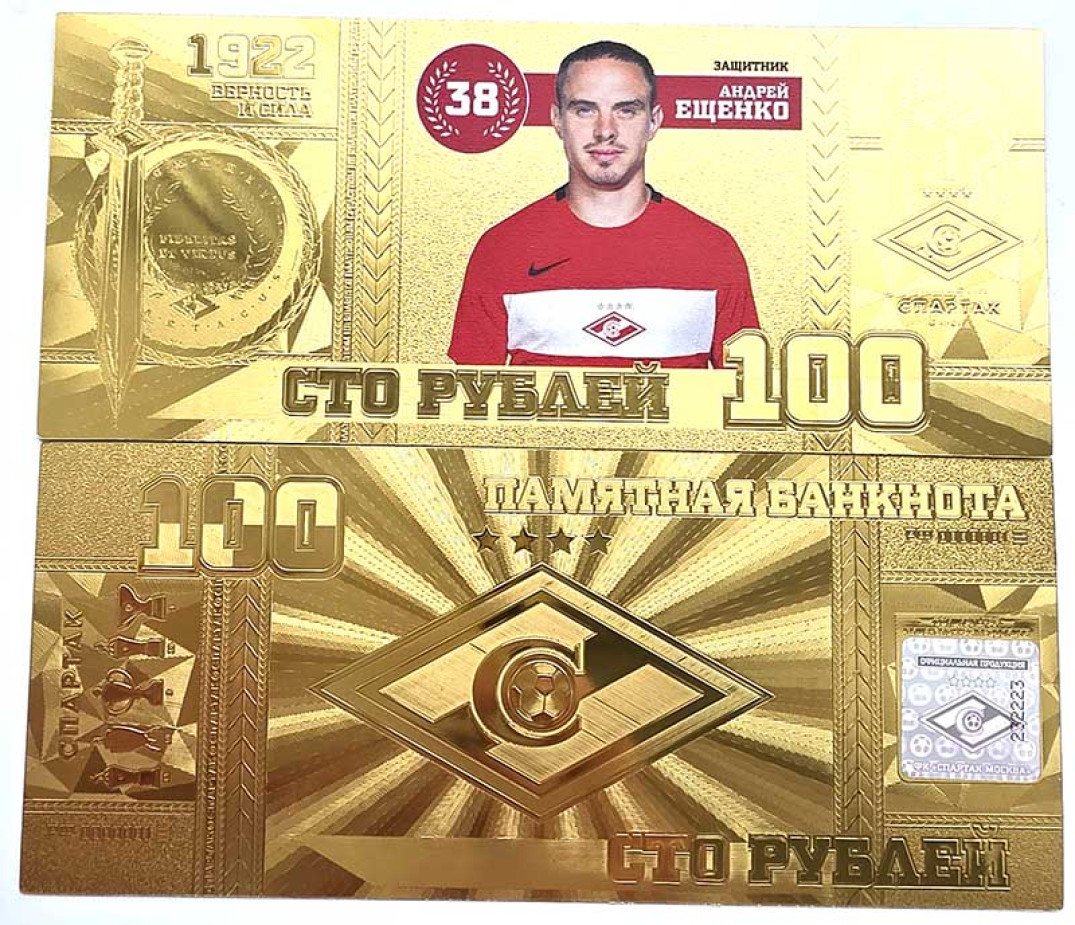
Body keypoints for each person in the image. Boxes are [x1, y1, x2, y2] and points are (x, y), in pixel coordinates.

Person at [448, 40, 759, 368]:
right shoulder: (501, 249)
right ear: (557, 119)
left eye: (626, 110)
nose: (605, 130)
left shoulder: (713, 250)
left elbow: (745, 390)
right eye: (584, 110)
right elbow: (469, 394)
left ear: (653, 121)